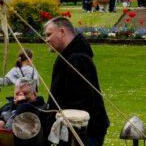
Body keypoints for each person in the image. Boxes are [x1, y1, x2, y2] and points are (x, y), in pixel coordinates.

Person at [44, 16, 109, 146]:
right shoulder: (67, 57)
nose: (46, 40)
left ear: (62, 32)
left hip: (83, 132)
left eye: (49, 35)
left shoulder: (77, 60)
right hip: (72, 129)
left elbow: (82, 101)